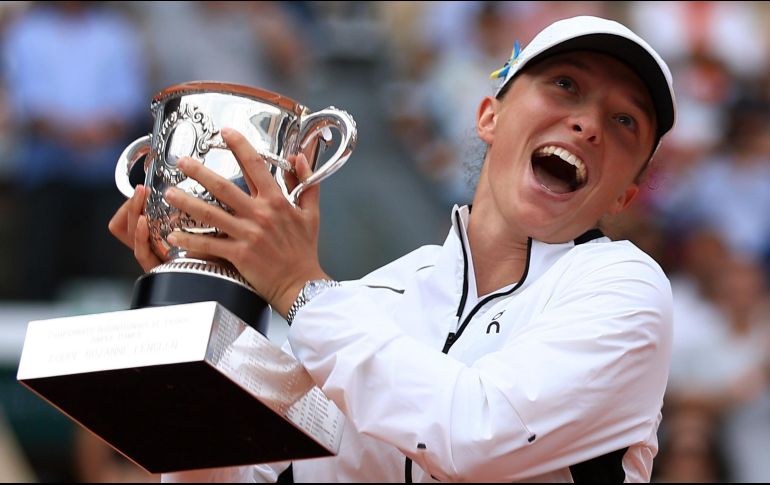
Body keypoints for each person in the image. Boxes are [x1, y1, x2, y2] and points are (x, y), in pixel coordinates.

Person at [109, 15, 676, 483]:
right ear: (489, 116)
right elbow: (235, 471)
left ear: (625, 194)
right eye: (566, 85)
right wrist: (201, 312)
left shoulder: (625, 288)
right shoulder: (367, 299)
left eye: (625, 120)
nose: (588, 124)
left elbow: (477, 435)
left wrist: (296, 289)